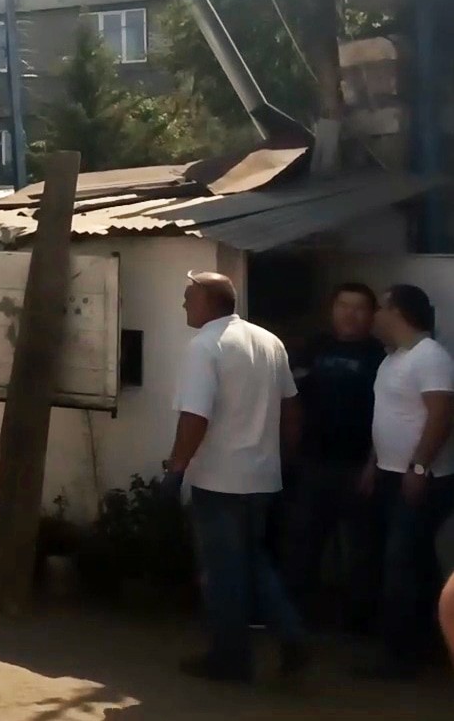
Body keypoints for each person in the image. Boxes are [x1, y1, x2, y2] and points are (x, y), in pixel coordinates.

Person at [164, 271, 307, 682]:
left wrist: (176, 468)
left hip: (220, 479)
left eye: (189, 297)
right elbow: (292, 409)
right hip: (262, 477)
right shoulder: (269, 341)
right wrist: (285, 458)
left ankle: (230, 658)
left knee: (223, 571)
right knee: (253, 562)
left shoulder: (205, 346)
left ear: (209, 302)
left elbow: (195, 416)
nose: (184, 304)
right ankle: (291, 634)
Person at [359, 284, 454, 679]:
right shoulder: (392, 359)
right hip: (390, 473)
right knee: (413, 561)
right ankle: (428, 642)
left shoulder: (430, 357)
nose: (374, 315)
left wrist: (418, 468)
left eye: (380, 308)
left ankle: (398, 657)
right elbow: (386, 417)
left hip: (422, 478)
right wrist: (373, 464)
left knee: (400, 563)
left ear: (397, 312)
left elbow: (441, 416)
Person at [281, 282, 386, 623]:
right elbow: (291, 398)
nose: (350, 314)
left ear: (372, 315)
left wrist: (372, 463)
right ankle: (299, 618)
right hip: (312, 462)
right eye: (343, 305)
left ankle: (359, 622)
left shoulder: (381, 356)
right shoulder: (313, 349)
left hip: (358, 465)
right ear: (332, 309)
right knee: (303, 542)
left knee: (361, 549)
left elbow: (389, 416)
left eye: (359, 307)